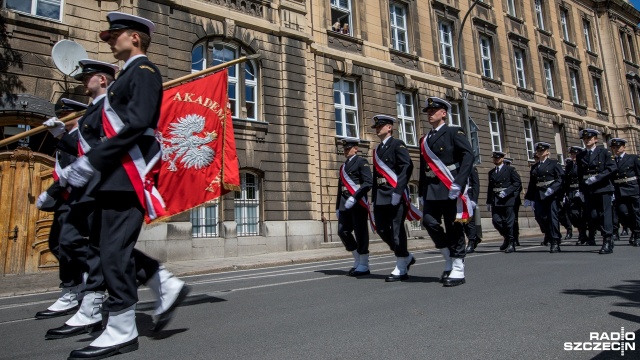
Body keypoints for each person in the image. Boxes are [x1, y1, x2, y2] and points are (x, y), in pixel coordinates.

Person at [59, 13, 189, 359]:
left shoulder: (144, 72)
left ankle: (121, 328)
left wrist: (92, 161)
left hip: (125, 175)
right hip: (112, 175)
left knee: (114, 251)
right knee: (107, 249)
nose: (108, 40)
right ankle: (160, 287)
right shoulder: (125, 77)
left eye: (112, 35)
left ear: (134, 37)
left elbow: (137, 124)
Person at [35, 98, 89, 320]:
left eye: (64, 114)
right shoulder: (69, 137)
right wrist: (60, 137)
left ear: (75, 116)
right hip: (65, 199)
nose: (60, 118)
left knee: (66, 244)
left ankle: (75, 288)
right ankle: (80, 283)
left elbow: (76, 165)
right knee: (57, 245)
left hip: (75, 198)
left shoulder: (82, 136)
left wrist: (53, 192)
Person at [419, 97, 473, 287]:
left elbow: (468, 156)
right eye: (428, 111)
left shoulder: (453, 132)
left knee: (453, 226)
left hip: (449, 186)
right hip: (432, 189)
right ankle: (448, 257)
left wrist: (459, 182)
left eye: (434, 111)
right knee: (429, 221)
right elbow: (423, 168)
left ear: (444, 113)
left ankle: (458, 267)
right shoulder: (424, 140)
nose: (430, 113)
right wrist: (420, 191)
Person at [371, 114, 415, 282]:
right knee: (381, 229)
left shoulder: (398, 144)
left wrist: (399, 191)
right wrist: (374, 198)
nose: (377, 129)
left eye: (380, 126)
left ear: (389, 127)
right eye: (376, 127)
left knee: (397, 231)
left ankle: (401, 266)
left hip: (395, 194)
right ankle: (405, 256)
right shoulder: (377, 150)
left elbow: (407, 166)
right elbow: (376, 176)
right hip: (381, 196)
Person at [576, 129, 616, 254]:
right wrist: (581, 190)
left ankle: (607, 240)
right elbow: (580, 174)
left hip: (603, 187)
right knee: (593, 215)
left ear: (595, 140)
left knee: (605, 215)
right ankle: (606, 235)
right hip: (589, 189)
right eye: (585, 139)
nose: (587, 140)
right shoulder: (580, 155)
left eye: (590, 138)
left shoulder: (603, 152)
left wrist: (597, 177)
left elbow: (612, 168)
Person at [336, 139, 372, 276]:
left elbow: (368, 183)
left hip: (357, 202)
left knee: (360, 231)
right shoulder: (343, 167)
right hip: (345, 203)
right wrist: (337, 207)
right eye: (344, 148)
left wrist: (355, 197)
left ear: (356, 149)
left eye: (349, 148)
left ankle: (363, 263)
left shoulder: (361, 162)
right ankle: (357, 258)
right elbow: (340, 189)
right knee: (342, 231)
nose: (346, 150)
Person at [524, 142, 564, 253]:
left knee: (552, 217)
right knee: (540, 216)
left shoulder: (553, 163)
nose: (540, 152)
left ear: (547, 152)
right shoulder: (535, 167)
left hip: (551, 194)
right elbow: (532, 183)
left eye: (542, 151)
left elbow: (560, 178)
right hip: (539, 194)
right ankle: (550, 234)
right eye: (538, 151)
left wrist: (553, 188)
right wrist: (528, 197)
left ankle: (555, 241)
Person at [486, 151, 521, 253]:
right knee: (496, 221)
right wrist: (488, 201)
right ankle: (506, 237)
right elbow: (490, 188)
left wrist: (506, 192)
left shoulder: (510, 170)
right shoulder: (491, 172)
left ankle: (511, 243)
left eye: (497, 158)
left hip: (508, 199)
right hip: (496, 199)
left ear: (502, 159)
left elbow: (517, 183)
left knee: (509, 222)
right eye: (494, 158)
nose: (495, 160)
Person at [609, 138, 640, 247]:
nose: (616, 149)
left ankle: (637, 234)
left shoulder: (633, 158)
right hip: (619, 191)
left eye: (618, 147)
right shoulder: (612, 161)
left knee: (636, 213)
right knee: (623, 213)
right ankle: (634, 230)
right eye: (614, 147)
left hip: (633, 189)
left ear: (623, 147)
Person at [564, 146, 589, 245]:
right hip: (572, 192)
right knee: (573, 215)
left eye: (575, 154)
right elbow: (566, 180)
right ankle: (582, 233)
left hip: (582, 191)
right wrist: (565, 193)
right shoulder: (569, 166)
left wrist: (583, 189)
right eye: (572, 154)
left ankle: (586, 235)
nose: (573, 156)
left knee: (585, 214)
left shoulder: (583, 164)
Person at [503, 157, 522, 246]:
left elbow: (518, 186)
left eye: (507, 164)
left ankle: (515, 237)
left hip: (513, 200)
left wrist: (514, 196)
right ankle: (508, 237)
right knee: (505, 220)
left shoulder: (513, 172)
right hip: (504, 200)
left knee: (513, 220)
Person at [463, 166, 482, 253]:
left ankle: (471, 242)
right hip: (459, 198)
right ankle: (474, 237)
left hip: (469, 197)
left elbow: (476, 184)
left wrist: (474, 199)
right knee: (462, 222)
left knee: (470, 221)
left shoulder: (471, 168)